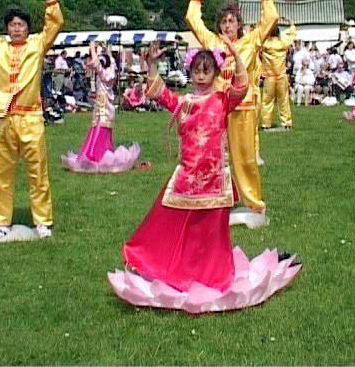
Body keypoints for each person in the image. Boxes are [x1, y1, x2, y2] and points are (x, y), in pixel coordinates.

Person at [109, 39, 300, 313]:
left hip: (214, 179)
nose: (200, 76)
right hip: (187, 177)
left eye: (206, 70)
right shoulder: (184, 103)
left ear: (215, 73)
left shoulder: (222, 100)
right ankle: (172, 268)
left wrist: (234, 53)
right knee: (171, 224)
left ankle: (214, 277)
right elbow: (159, 92)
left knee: (212, 234)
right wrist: (151, 65)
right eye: (196, 71)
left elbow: (242, 86)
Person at [0, 0, 63, 242]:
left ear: (28, 28)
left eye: (20, 24)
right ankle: (0, 223)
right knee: (0, 173)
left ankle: (42, 221)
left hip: (31, 117)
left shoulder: (37, 44)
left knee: (38, 171)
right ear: (7, 28)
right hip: (3, 118)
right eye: (12, 24)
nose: (16, 28)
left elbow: (55, 23)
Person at [185, 0, 278, 228]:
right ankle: (216, 200)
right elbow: (193, 20)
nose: (228, 26)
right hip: (215, 110)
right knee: (213, 157)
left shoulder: (250, 41)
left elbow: (271, 19)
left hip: (243, 108)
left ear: (239, 24)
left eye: (232, 21)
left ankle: (254, 204)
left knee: (245, 158)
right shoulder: (213, 42)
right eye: (224, 21)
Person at [61, 42, 140, 173]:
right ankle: (101, 153)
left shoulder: (103, 74)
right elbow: (111, 62)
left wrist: (93, 48)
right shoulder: (111, 72)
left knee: (99, 130)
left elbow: (97, 63)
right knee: (102, 131)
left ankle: (94, 155)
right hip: (106, 107)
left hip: (103, 108)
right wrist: (106, 50)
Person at [260, 17, 296, 129]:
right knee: (284, 100)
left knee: (267, 101)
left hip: (269, 77)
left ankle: (266, 124)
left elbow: (257, 33)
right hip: (281, 76)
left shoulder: (265, 43)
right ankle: (287, 123)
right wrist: (290, 22)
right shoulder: (284, 42)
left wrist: (264, 21)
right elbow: (292, 34)